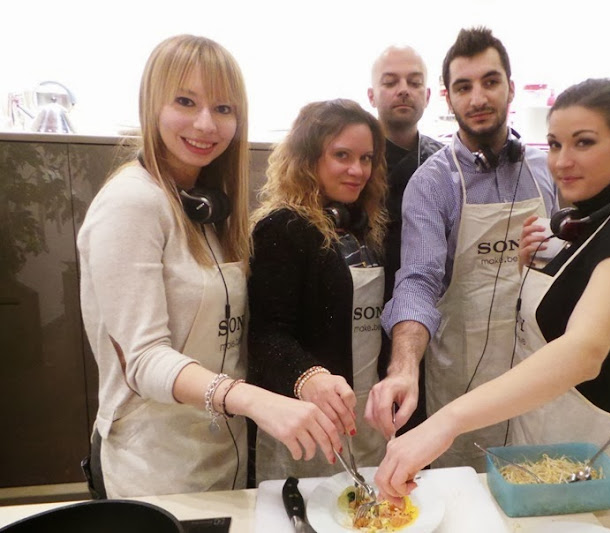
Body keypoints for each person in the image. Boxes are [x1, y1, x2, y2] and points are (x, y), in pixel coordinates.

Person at [373, 78, 610, 500]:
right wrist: (528, 269)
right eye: (555, 144)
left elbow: (583, 352)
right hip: (538, 446)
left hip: (588, 459)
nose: (562, 161)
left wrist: (446, 421)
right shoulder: (581, 228)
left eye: (584, 143)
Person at [77, 35, 341, 499]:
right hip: (154, 464)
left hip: (222, 453)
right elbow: (144, 359)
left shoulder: (210, 208)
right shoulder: (131, 204)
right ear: (152, 104)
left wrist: (306, 377)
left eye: (223, 108)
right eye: (185, 102)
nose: (206, 124)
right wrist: (253, 400)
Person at [366, 27, 559, 471]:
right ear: (448, 99)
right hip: (463, 379)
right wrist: (403, 367)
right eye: (463, 87)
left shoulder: (546, 170)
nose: (478, 98)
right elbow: (418, 280)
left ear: (511, 88)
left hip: (539, 370)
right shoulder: (432, 183)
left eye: (490, 82)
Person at [248, 99, 389, 481]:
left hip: (364, 409)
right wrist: (309, 376)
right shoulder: (283, 228)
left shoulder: (364, 228)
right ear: (309, 158)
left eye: (366, 158)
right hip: (307, 415)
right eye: (342, 155)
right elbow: (265, 335)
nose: (357, 170)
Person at [367, 45, 443, 435]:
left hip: (424, 318)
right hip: (360, 312)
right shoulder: (355, 159)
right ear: (372, 95)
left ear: (427, 96)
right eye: (391, 82)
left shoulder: (444, 164)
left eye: (414, 83)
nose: (403, 90)